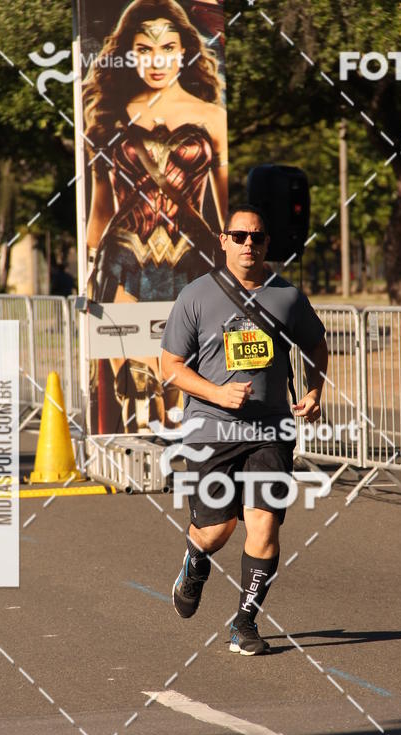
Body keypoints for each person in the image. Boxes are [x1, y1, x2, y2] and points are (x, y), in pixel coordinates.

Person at [160, 205, 328, 655]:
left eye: (256, 236)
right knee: (218, 531)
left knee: (265, 527)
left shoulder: (288, 297)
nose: (248, 243)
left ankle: (245, 623)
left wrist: (314, 391)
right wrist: (217, 395)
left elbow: (316, 344)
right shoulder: (196, 296)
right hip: (211, 430)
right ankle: (195, 563)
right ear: (223, 240)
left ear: (267, 243)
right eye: (239, 236)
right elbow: (170, 368)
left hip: (270, 431)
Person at [83, 0, 228, 432]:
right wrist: (89, 270)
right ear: (130, 53)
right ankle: (140, 454)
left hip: (191, 258)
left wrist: (236, 266)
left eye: (167, 46)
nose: (156, 60)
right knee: (137, 374)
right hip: (123, 258)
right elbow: (101, 206)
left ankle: (184, 450)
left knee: (181, 373)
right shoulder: (109, 117)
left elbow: (222, 212)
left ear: (185, 49)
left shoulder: (212, 117)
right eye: (144, 49)